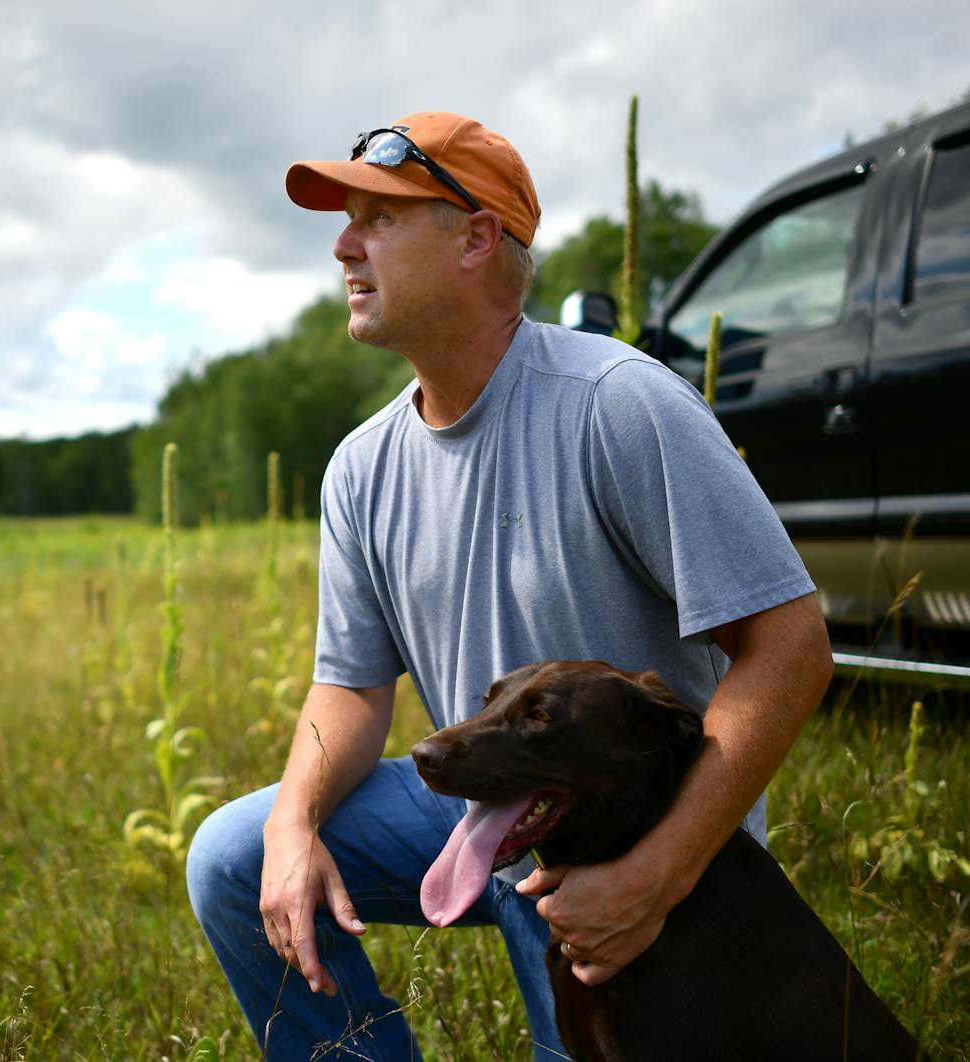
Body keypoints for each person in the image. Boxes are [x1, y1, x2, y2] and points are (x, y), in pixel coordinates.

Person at [186, 111, 832, 1061]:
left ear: (477, 238)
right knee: (235, 859)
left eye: (379, 217)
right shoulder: (361, 469)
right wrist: (292, 827)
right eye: (346, 219)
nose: (342, 244)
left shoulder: (620, 406)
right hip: (483, 804)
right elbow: (353, 688)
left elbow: (789, 649)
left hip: (624, 832)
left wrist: (655, 873)